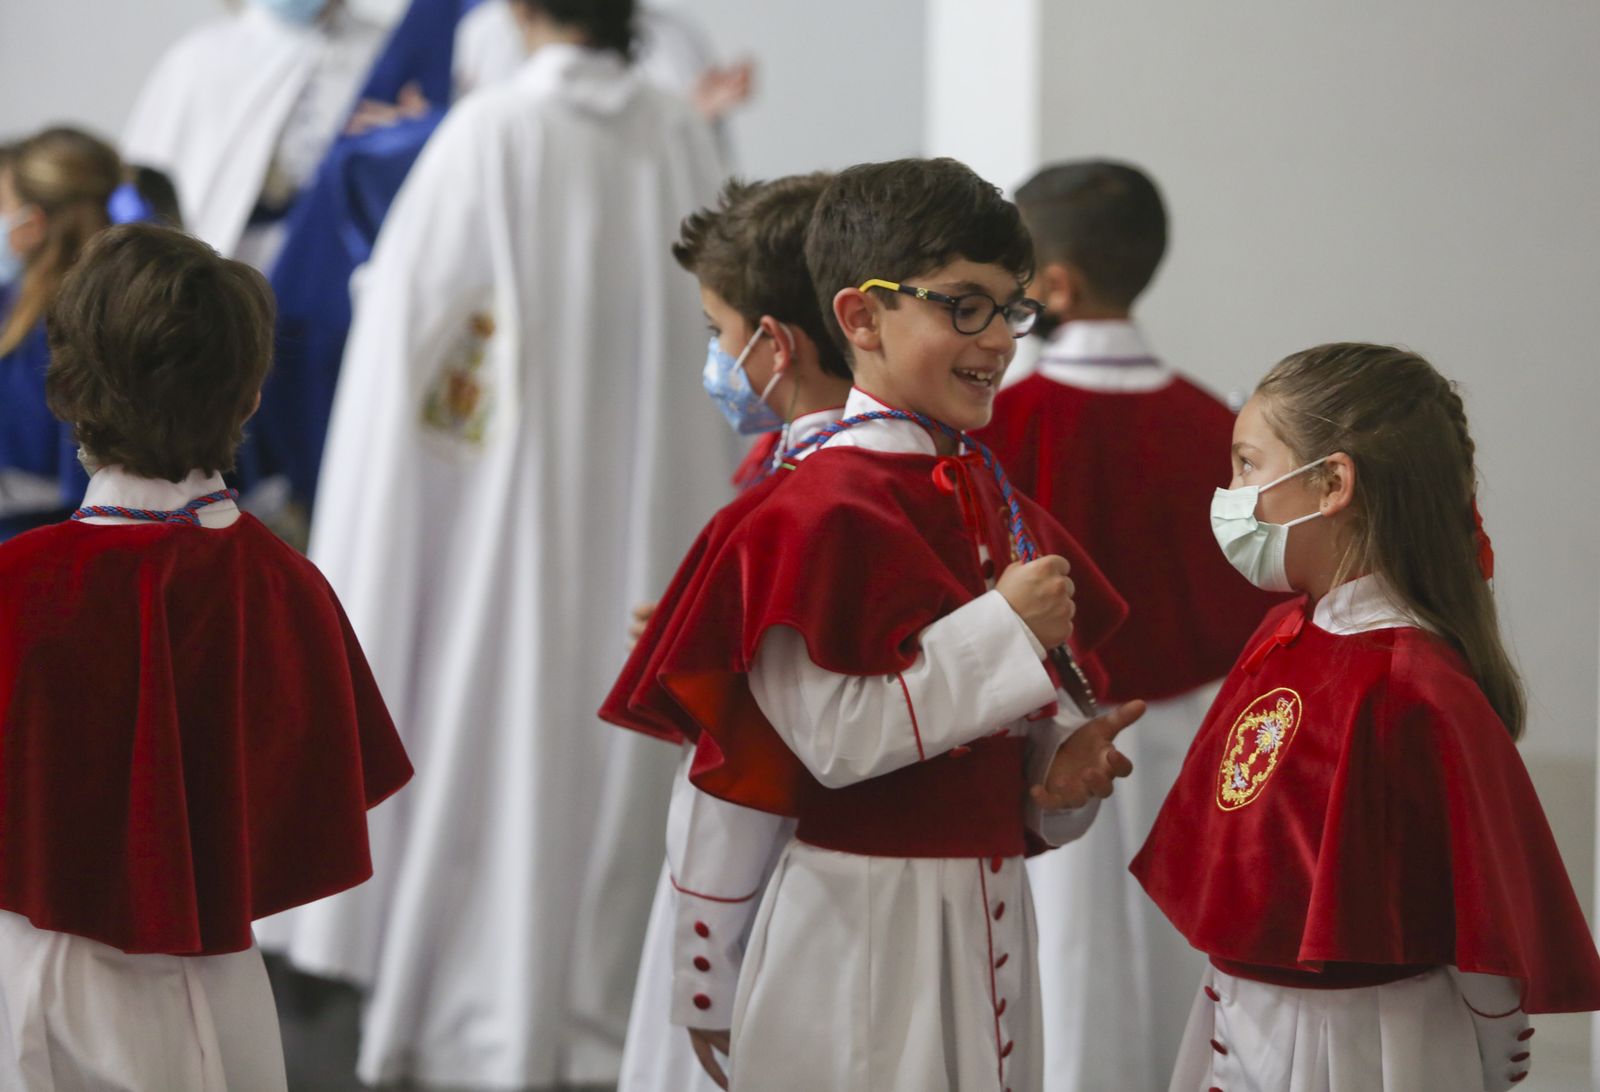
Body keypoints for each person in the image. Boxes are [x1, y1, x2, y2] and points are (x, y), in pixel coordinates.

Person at [254, 1, 735, 1085]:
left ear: (519, 11)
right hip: (652, 511)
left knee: (499, 719)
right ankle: (618, 1017)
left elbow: (416, 342)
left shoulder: (485, 135)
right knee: (625, 750)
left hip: (496, 518)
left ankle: (484, 1010)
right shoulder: (679, 133)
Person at [627, 157, 1142, 1092]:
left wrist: (1052, 780)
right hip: (857, 931)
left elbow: (986, 748)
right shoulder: (810, 513)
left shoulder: (986, 494)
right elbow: (835, 740)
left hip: (990, 915)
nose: (998, 341)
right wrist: (1006, 631)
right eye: (964, 306)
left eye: (1011, 309)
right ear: (860, 318)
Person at [0, 222, 410, 1091]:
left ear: (63, 385)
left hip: (19, 975)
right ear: (252, 395)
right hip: (214, 994)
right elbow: (311, 806)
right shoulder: (288, 589)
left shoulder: (16, 584)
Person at [1131, 342, 1600, 1091]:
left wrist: (1486, 1062)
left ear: (1332, 484)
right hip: (1235, 1018)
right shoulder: (1281, 633)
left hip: (1365, 1048)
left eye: (1248, 465)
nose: (1230, 492)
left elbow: (1483, 938)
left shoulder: (1414, 686)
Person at [976, 159, 1286, 1088]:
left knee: (1063, 975)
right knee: (1178, 973)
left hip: (1046, 744)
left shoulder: (998, 423)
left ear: (1054, 285)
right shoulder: (1219, 426)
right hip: (1195, 743)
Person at [602, 171, 852, 1092]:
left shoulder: (811, 500)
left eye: (720, 333)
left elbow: (745, 752)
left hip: (778, 877)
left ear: (776, 345)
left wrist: (705, 969)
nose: (715, 357)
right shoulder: (805, 469)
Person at [122, 0, 387, 269]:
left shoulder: (382, 51)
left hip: (334, 256)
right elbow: (144, 185)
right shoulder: (198, 58)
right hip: (228, 255)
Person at [0, 128, 121, 538]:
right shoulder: (17, 305)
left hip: (41, 549)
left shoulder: (62, 330)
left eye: (3, 204)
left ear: (32, 223)